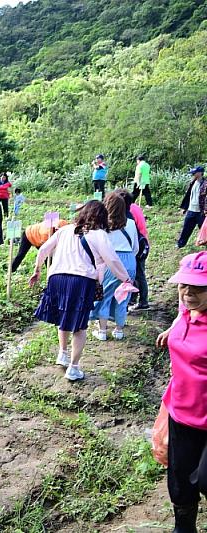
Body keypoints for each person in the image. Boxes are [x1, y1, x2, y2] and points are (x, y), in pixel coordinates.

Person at [29, 201, 131, 381]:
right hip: (80, 280)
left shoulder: (65, 229)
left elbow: (44, 249)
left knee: (64, 316)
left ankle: (62, 353)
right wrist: (125, 278)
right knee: (80, 325)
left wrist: (37, 269)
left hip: (57, 278)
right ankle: (73, 368)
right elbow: (112, 261)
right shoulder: (99, 234)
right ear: (101, 217)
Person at [155, 251, 207, 533]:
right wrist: (172, 331)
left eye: (199, 286)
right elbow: (183, 314)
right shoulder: (188, 312)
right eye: (183, 285)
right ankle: (184, 529)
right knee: (179, 480)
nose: (188, 293)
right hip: (181, 414)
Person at [89, 193, 138, 340]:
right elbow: (135, 247)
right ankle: (119, 330)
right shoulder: (130, 223)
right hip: (129, 260)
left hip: (109, 261)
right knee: (123, 297)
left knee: (105, 296)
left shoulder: (102, 225)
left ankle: (102, 331)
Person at [177, 166, 206, 249]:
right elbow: (188, 196)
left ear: (200, 173)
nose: (193, 174)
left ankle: (204, 243)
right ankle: (180, 244)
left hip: (201, 212)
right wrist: (185, 208)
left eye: (194, 173)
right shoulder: (192, 182)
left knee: (204, 230)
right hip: (191, 210)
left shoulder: (205, 184)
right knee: (186, 228)